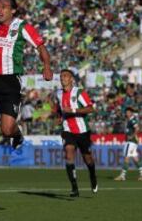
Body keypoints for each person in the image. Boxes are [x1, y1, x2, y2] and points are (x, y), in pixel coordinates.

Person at [0, 0, 53, 181]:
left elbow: (40, 46)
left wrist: (47, 66)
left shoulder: (22, 27)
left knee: (7, 129)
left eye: (4, 6)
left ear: (13, 10)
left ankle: (17, 136)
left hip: (10, 82)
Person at [54, 69, 97, 197]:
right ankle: (74, 187)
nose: (63, 78)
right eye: (61, 76)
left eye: (65, 76)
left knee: (87, 158)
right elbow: (59, 108)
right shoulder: (58, 94)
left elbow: (90, 108)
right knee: (68, 152)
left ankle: (92, 175)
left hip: (82, 131)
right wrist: (59, 117)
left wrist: (73, 110)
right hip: (67, 129)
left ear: (71, 78)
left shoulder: (79, 92)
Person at [114, 107, 142, 181]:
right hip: (133, 142)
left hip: (131, 141)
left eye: (129, 112)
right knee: (135, 158)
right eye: (126, 112)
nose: (127, 113)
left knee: (126, 157)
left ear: (131, 113)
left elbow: (137, 128)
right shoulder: (129, 120)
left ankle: (122, 175)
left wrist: (132, 135)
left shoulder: (132, 120)